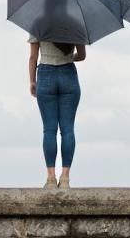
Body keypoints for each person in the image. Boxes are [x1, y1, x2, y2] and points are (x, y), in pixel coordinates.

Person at [28, 38, 85, 188]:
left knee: (49, 130)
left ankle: (51, 178)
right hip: (68, 75)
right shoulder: (75, 22)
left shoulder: (38, 22)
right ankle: (65, 178)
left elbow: (33, 57)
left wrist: (32, 81)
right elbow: (82, 55)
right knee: (68, 129)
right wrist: (66, 57)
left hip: (45, 74)